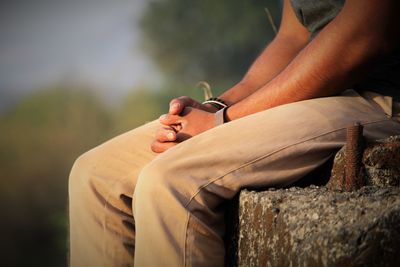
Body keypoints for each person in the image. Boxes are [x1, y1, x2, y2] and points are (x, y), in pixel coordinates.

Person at [68, 0, 400, 266]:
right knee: (96, 176)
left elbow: (366, 34)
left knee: (171, 181)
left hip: (380, 98)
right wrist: (216, 106)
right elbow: (292, 39)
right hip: (315, 94)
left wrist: (223, 122)